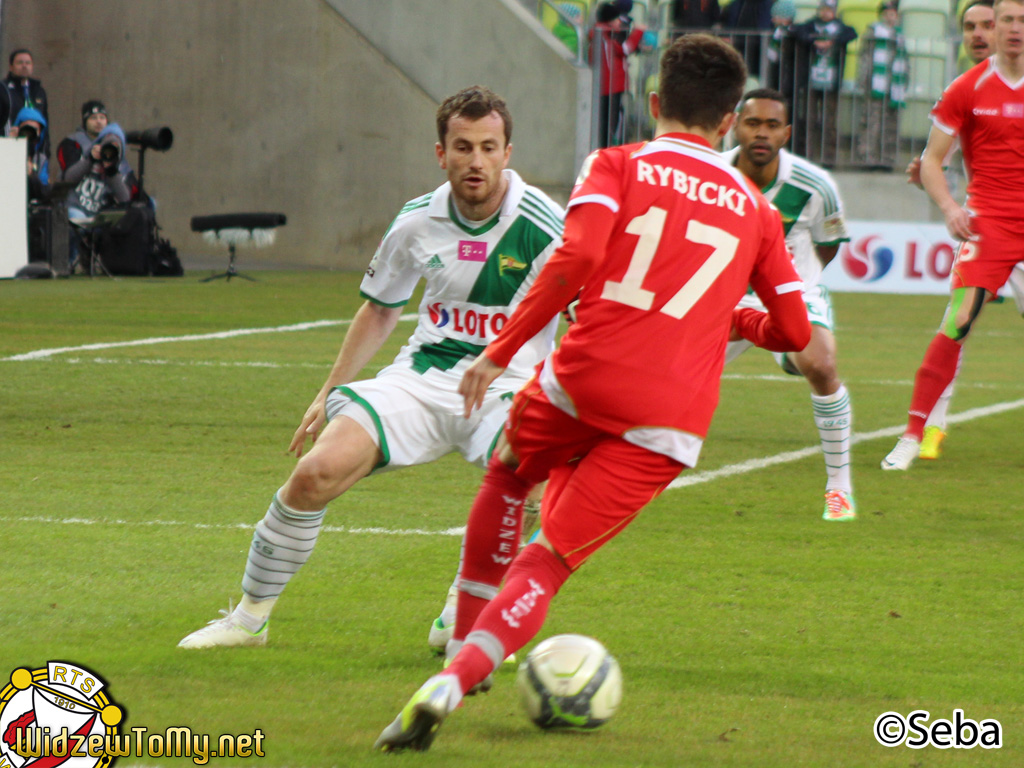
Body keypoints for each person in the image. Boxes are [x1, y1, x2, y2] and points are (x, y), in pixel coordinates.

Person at [375, 34, 811, 752]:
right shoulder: (759, 213)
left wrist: (500, 350)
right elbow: (794, 330)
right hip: (670, 414)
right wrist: (735, 319)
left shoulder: (617, 163)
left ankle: (461, 635)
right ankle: (453, 681)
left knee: (509, 477)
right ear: (730, 121)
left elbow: (576, 256)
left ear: (653, 101)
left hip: (583, 378)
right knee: (548, 560)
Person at [177, 86, 565, 649]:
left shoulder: (548, 225)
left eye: (488, 147)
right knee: (315, 472)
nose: (476, 161)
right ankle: (248, 619)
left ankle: (463, 610)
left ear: (508, 153)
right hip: (422, 379)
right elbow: (381, 310)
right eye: (463, 147)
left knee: (533, 480)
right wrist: (327, 392)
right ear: (441, 154)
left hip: (509, 386)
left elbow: (589, 315)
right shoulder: (416, 220)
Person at [882, 0, 1024, 470]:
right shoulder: (967, 88)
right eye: (1007, 19)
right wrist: (949, 207)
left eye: (1020, 20)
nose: (1013, 28)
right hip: (989, 226)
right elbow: (931, 160)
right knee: (958, 320)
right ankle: (914, 433)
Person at [723, 89, 855, 521]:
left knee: (821, 365)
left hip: (791, 292)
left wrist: (797, 281)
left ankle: (839, 488)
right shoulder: (712, 174)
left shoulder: (815, 186)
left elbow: (828, 246)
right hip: (724, 296)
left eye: (772, 125)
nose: (761, 133)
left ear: (786, 133)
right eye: (752, 123)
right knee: (664, 375)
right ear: (734, 127)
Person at [55, 100, 137, 270]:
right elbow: (67, 178)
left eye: (102, 117)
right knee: (72, 217)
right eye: (93, 118)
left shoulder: (117, 154)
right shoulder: (72, 143)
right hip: (75, 205)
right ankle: (68, 262)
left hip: (101, 211)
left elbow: (125, 197)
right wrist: (90, 159)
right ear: (84, 121)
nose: (98, 121)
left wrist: (111, 170)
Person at [792, 0, 857, 165]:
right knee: (809, 118)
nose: (826, 13)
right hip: (811, 81)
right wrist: (814, 41)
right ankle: (807, 154)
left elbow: (852, 34)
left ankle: (829, 156)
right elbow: (798, 32)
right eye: (823, 9)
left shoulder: (841, 28)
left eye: (829, 10)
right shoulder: (811, 26)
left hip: (831, 82)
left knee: (829, 120)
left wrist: (832, 41)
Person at [856, 0, 907, 170]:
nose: (891, 17)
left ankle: (887, 159)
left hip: (894, 86)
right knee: (872, 121)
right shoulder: (873, 33)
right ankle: (867, 157)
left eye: (893, 14)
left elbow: (904, 61)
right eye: (888, 14)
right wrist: (864, 79)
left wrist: (903, 83)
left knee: (890, 123)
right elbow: (865, 57)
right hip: (875, 84)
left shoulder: (900, 35)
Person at [591, 0, 648, 147]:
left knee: (606, 121)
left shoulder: (601, 34)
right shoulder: (606, 36)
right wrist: (638, 31)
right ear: (609, 21)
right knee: (612, 122)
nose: (619, 22)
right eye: (616, 19)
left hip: (607, 86)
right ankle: (610, 148)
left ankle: (606, 147)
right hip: (612, 86)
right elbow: (625, 49)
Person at [5, 49, 50, 158]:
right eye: (20, 63)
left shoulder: (39, 91)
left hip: (35, 151)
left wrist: (45, 152)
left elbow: (45, 123)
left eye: (28, 63)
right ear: (11, 67)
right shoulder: (3, 90)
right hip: (9, 148)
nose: (24, 66)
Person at [13, 106, 49, 200]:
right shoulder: (5, 152)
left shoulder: (41, 159)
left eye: (35, 130)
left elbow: (44, 193)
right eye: (26, 130)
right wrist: (10, 143)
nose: (29, 135)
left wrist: (32, 175)